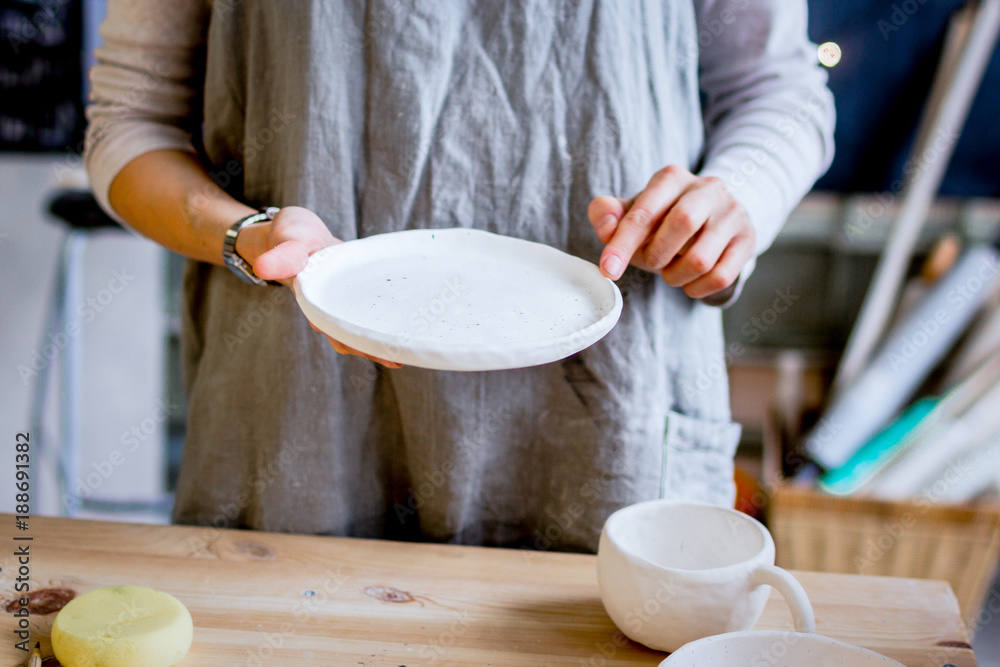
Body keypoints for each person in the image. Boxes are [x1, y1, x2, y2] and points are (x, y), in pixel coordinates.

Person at [85, 0, 834, 551]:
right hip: (301, 417)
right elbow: (131, 118)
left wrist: (739, 197)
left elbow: (780, 90)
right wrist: (244, 233)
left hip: (606, 419)